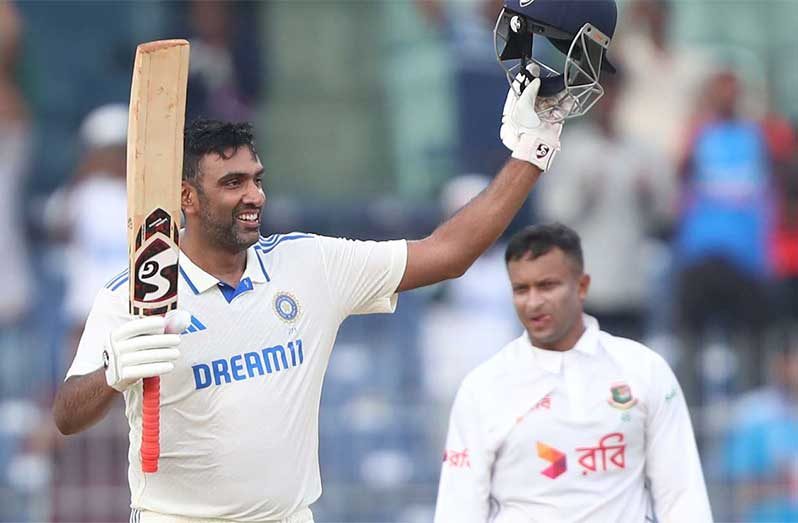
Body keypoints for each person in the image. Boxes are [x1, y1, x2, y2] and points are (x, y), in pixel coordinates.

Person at [50, 69, 566, 522]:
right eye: (232, 183)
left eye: (256, 179)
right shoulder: (137, 292)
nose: (254, 195)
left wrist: (532, 149)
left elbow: (448, 252)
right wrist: (112, 373)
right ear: (187, 197)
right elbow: (67, 415)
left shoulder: (307, 263)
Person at [434, 223, 713, 523]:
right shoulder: (484, 387)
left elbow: (682, 495)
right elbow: (458, 508)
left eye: (547, 286)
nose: (533, 302)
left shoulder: (644, 369)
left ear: (582, 286)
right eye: (521, 289)